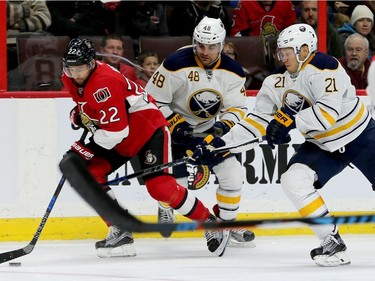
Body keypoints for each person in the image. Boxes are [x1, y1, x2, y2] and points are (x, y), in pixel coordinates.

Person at [193, 23, 374, 267]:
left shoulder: (326, 67)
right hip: (321, 145)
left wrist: (288, 121)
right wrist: (220, 144)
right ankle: (332, 242)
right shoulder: (275, 82)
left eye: (287, 52)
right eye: (281, 52)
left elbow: (327, 115)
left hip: (360, 137)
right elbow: (257, 122)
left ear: (304, 49)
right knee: (293, 180)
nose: (283, 57)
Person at [61, 38, 230, 258]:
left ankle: (210, 223)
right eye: (70, 69)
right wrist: (82, 113)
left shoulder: (105, 81)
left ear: (92, 63)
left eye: (80, 69)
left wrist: (83, 149)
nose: (76, 74)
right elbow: (92, 105)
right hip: (122, 132)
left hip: (148, 129)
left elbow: (115, 131)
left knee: (161, 188)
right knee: (90, 173)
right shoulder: (69, 76)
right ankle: (120, 229)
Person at [145, 17, 255, 246]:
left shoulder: (234, 72)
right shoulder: (175, 64)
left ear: (221, 45)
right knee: (177, 187)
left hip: (207, 133)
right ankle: (165, 205)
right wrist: (175, 123)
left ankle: (227, 224)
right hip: (172, 132)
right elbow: (152, 99)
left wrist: (223, 126)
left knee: (233, 174)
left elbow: (237, 108)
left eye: (212, 46)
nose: (205, 51)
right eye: (201, 45)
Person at [230, 0, 296, 37]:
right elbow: (237, 35)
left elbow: (292, 32)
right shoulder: (245, 4)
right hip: (253, 50)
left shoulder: (286, 4)